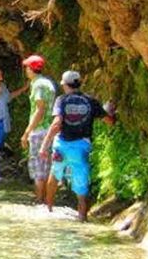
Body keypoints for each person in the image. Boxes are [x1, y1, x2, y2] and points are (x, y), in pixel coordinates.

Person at [40, 70, 116, 221]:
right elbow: (109, 121)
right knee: (81, 184)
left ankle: (48, 209)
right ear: (79, 83)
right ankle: (82, 218)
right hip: (81, 147)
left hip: (61, 145)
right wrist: (110, 112)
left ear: (65, 85)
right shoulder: (91, 101)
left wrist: (44, 145)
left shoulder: (61, 100)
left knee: (55, 173)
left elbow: (56, 124)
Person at [11, 55, 57, 203]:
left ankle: (39, 200)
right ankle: (47, 201)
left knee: (38, 168)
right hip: (50, 130)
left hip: (39, 131)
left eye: (27, 67)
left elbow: (40, 109)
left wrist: (26, 132)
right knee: (47, 165)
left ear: (31, 69)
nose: (26, 70)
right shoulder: (48, 83)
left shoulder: (38, 85)